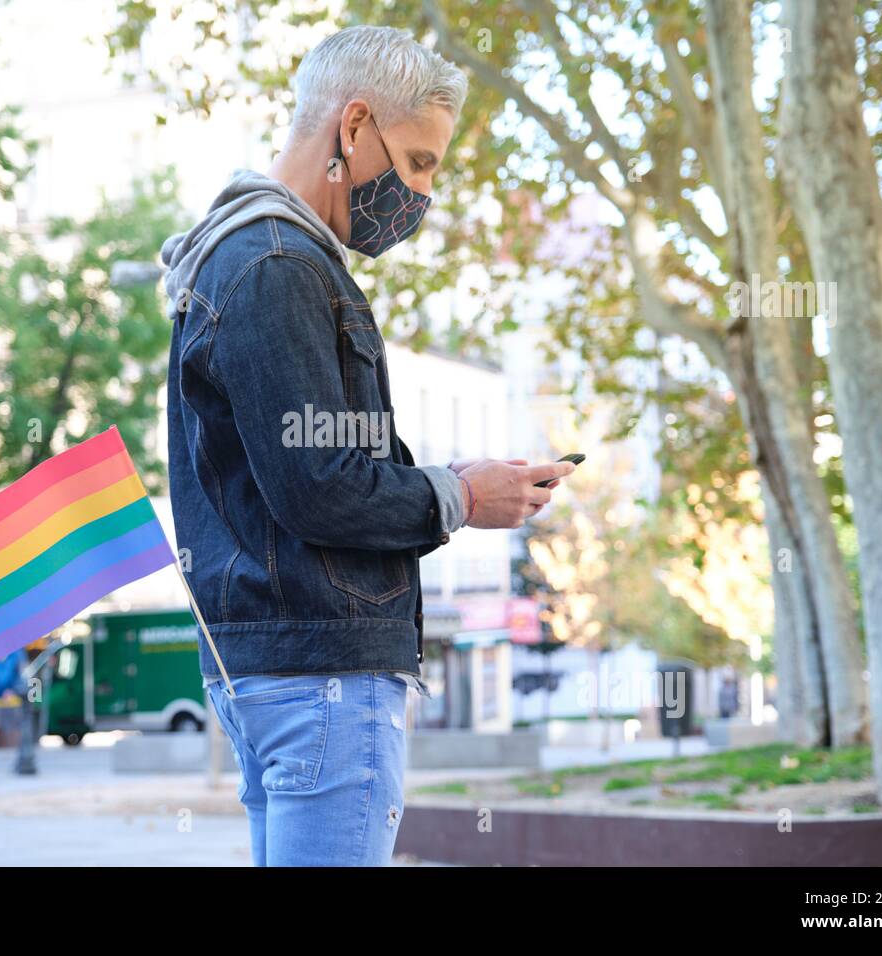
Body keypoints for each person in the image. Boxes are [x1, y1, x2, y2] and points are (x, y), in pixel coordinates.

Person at [162, 24, 578, 866]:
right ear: (353, 128)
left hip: (283, 663)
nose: (422, 193)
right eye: (418, 162)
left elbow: (306, 467)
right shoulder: (276, 264)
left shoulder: (254, 257)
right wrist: (463, 499)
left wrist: (444, 481)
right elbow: (319, 486)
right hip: (321, 672)